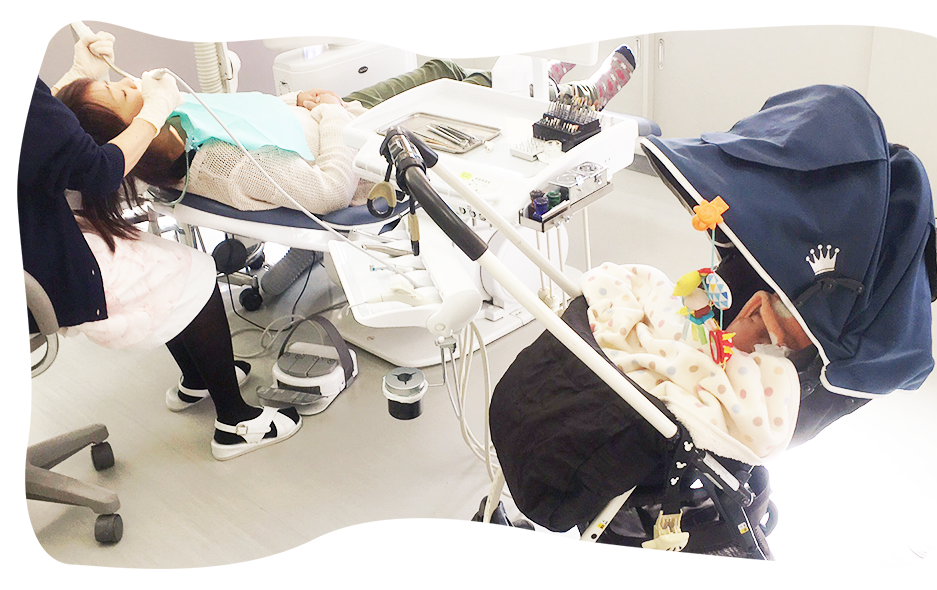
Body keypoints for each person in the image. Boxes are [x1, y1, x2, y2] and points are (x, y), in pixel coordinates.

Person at [18, 31, 300, 461]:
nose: (130, 83)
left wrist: (77, 76)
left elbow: (30, 126)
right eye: (119, 93)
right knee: (194, 277)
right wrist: (154, 112)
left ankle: (198, 378)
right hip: (34, 266)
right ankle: (235, 422)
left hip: (30, 237)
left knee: (165, 275)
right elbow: (94, 169)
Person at [54, 46, 638, 216]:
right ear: (132, 133)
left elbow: (250, 115)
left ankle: (541, 76)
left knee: (443, 68)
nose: (134, 81)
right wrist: (333, 113)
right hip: (362, 140)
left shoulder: (182, 124)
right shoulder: (220, 166)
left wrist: (296, 100)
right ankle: (564, 94)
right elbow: (331, 190)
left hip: (332, 114)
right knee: (461, 86)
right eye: (125, 94)